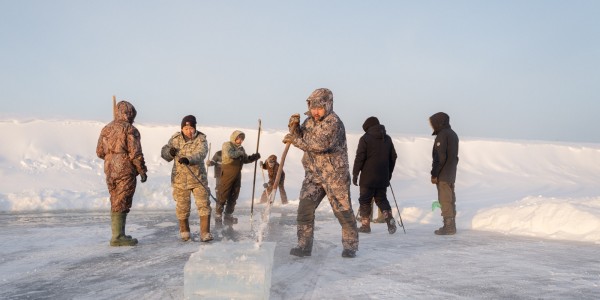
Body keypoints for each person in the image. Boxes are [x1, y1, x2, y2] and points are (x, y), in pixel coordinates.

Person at [283, 88, 359, 258]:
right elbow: (302, 136)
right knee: (304, 209)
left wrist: (295, 139)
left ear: (328, 105)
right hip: (313, 175)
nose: (315, 112)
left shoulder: (334, 123)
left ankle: (350, 246)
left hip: (334, 176)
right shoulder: (309, 121)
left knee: (343, 212)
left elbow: (318, 144)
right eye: (313, 108)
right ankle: (304, 246)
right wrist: (294, 128)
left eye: (319, 108)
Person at [96, 100, 148, 247]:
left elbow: (99, 151)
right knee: (123, 199)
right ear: (129, 114)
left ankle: (118, 234)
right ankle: (118, 237)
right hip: (125, 168)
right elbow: (135, 153)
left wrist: (110, 158)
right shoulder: (130, 130)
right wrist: (141, 170)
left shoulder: (106, 129)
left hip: (110, 169)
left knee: (115, 199)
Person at [161, 115, 213, 242]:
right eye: (186, 128)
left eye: (191, 128)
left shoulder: (201, 139)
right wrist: (170, 153)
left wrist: (188, 159)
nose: (188, 131)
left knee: (204, 204)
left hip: (198, 178)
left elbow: (201, 154)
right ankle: (184, 231)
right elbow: (164, 153)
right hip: (180, 180)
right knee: (182, 207)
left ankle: (205, 232)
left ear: (195, 128)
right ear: (182, 128)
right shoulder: (175, 139)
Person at [352, 116, 398, 234]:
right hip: (383, 176)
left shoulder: (365, 138)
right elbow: (393, 157)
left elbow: (360, 158)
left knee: (365, 200)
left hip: (367, 177)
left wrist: (355, 173)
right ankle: (389, 220)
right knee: (381, 199)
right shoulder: (387, 138)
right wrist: (389, 172)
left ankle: (365, 226)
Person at [216, 130, 260, 225]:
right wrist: (240, 153)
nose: (240, 140)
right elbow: (230, 154)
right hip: (227, 173)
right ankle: (218, 214)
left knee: (234, 195)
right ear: (234, 137)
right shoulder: (227, 145)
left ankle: (228, 214)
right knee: (223, 194)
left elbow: (245, 159)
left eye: (242, 138)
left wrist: (253, 157)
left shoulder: (241, 148)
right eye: (239, 138)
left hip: (237, 174)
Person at [429, 112, 459, 235]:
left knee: (445, 199)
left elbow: (440, 157)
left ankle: (449, 226)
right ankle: (452, 224)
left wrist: (434, 174)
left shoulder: (442, 135)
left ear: (439, 122)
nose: (432, 126)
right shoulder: (453, 134)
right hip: (451, 172)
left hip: (443, 173)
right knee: (450, 198)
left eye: (433, 123)